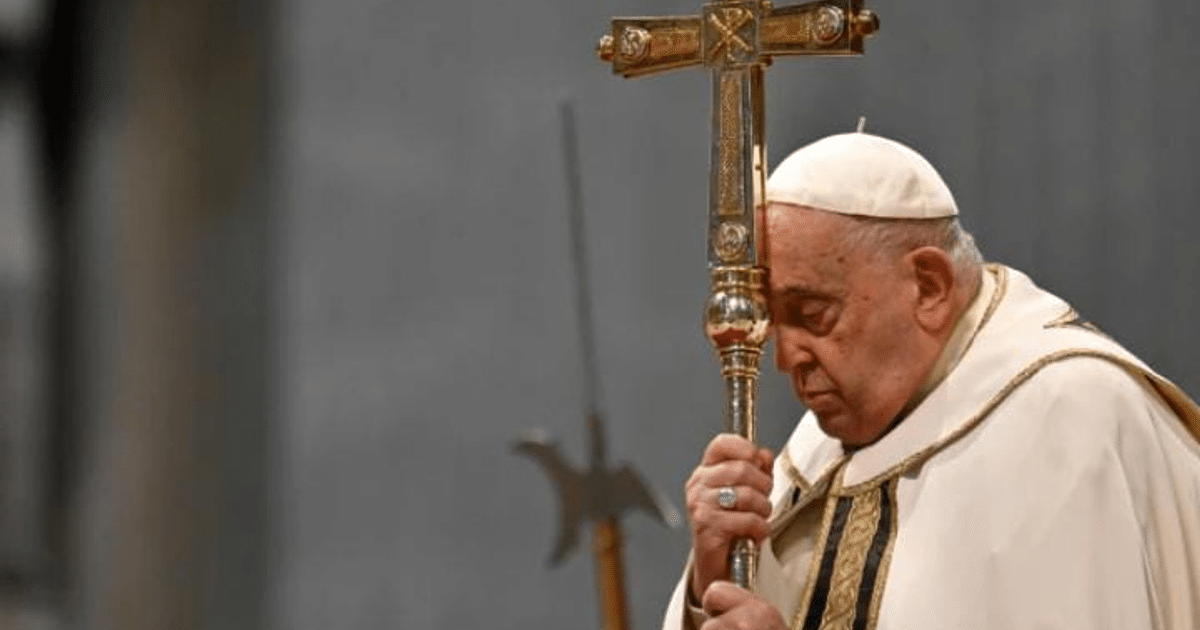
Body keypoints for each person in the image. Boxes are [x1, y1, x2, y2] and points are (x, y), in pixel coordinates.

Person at [662, 132, 1200, 630]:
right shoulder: (817, 451)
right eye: (776, 321)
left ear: (928, 287)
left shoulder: (1070, 421)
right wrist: (713, 581)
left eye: (813, 314)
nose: (785, 359)